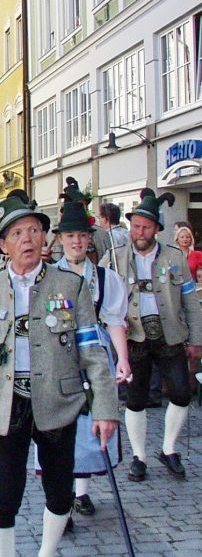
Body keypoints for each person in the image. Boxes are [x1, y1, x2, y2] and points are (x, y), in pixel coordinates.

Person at [0, 190, 118, 557]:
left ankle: (47, 556)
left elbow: (93, 351)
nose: (28, 239)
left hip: (58, 403)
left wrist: (105, 409)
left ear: (46, 239)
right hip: (6, 406)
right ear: (3, 244)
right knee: (3, 499)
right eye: (17, 232)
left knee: (61, 493)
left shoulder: (71, 284)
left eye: (34, 230)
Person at [99, 189, 202, 482]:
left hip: (170, 334)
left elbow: (190, 302)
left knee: (182, 393)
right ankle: (139, 456)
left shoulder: (174, 257)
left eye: (145, 227)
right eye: (135, 226)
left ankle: (169, 449)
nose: (139, 232)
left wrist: (196, 340)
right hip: (135, 337)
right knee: (136, 398)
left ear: (157, 228)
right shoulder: (115, 258)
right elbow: (96, 293)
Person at [39, 201, 131, 516]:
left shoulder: (105, 279)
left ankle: (82, 491)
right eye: (70, 236)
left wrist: (122, 359)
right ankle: (59, 499)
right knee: (61, 424)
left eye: (81, 235)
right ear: (60, 240)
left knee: (90, 422)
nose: (76, 242)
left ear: (89, 238)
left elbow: (115, 321)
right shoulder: (47, 277)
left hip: (93, 356)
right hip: (59, 358)